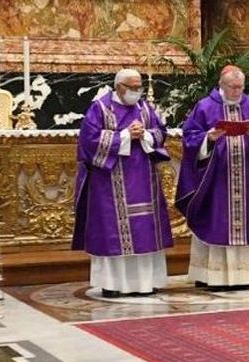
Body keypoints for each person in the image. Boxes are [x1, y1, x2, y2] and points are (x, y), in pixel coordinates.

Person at [72, 68, 174, 297]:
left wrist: (145, 135)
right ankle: (112, 284)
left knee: (144, 230)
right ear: (119, 87)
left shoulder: (145, 108)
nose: (137, 92)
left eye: (139, 87)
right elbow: (88, 143)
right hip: (109, 181)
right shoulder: (100, 108)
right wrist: (126, 135)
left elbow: (160, 132)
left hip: (143, 177)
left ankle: (146, 283)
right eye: (133, 87)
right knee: (113, 233)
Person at [177, 66, 249, 290]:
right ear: (221, 85)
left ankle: (247, 276)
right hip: (216, 181)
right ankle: (213, 277)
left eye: (240, 86)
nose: (237, 91)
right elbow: (189, 139)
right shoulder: (205, 106)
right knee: (216, 222)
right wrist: (209, 139)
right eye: (233, 87)